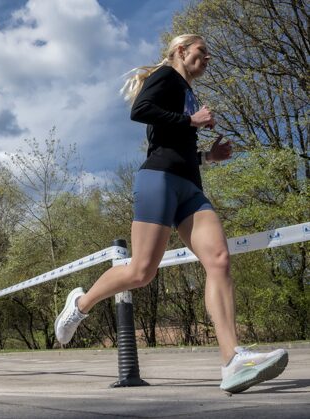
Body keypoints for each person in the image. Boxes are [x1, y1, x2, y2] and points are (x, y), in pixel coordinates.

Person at [54, 34, 288, 394]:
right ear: (181, 50)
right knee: (141, 272)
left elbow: (175, 141)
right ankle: (80, 304)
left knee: (219, 259)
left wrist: (208, 157)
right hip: (159, 179)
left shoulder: (187, 91)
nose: (208, 58)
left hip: (190, 187)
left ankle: (232, 360)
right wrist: (191, 120)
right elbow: (140, 110)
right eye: (202, 51)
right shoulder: (166, 76)